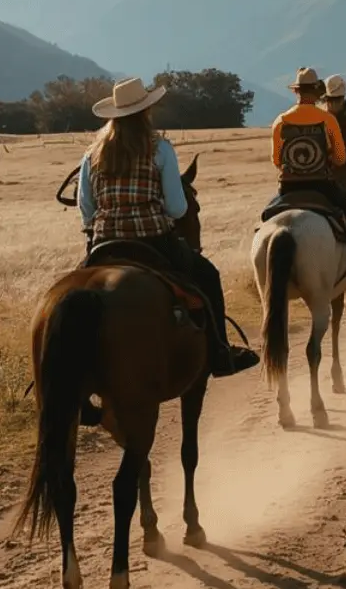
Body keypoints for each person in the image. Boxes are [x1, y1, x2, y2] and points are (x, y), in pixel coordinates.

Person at [79, 77, 258, 375]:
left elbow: (86, 208)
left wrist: (102, 224)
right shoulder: (160, 149)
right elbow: (177, 208)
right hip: (152, 239)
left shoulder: (92, 154)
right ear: (146, 112)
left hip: (103, 243)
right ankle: (220, 354)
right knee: (208, 277)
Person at [270, 68, 346, 292]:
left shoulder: (281, 120)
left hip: (287, 187)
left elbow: (277, 160)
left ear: (296, 92)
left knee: (265, 218)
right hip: (322, 185)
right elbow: (341, 158)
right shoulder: (327, 120)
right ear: (317, 92)